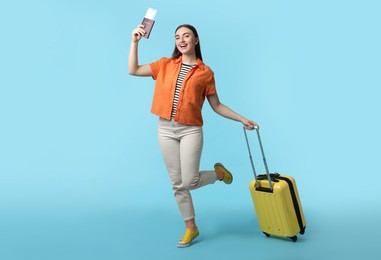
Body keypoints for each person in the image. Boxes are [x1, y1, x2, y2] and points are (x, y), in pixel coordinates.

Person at [128, 23, 258, 248]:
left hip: (190, 130)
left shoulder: (206, 73)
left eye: (186, 35)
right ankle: (191, 228)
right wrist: (134, 42)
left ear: (196, 40)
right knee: (177, 183)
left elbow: (216, 105)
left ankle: (219, 174)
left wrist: (242, 118)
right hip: (165, 129)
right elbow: (134, 70)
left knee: (190, 180)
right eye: (177, 36)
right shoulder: (165, 65)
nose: (181, 39)